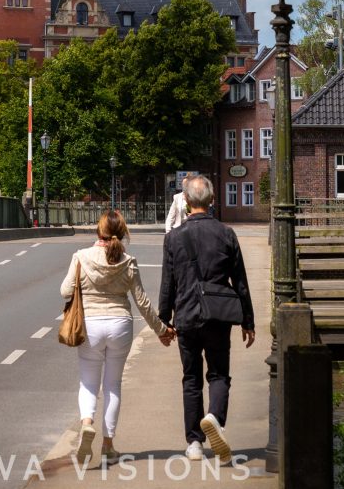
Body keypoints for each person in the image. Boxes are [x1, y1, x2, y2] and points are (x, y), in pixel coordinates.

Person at [60, 210, 174, 463]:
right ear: (122, 233)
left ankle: (87, 424)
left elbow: (65, 291)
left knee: (88, 382)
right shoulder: (128, 261)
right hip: (120, 325)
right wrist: (161, 330)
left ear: (98, 231)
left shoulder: (81, 257)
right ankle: (108, 445)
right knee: (112, 385)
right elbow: (142, 303)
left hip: (90, 324)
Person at [158, 174, 255, 463]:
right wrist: (248, 321)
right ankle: (215, 417)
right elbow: (240, 281)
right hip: (218, 315)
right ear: (212, 200)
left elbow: (168, 284)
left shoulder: (174, 237)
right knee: (219, 374)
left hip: (186, 314)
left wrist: (164, 323)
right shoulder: (226, 234)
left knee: (191, 378)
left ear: (186, 202)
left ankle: (194, 443)